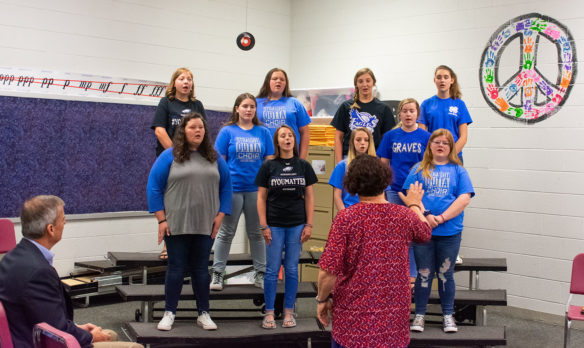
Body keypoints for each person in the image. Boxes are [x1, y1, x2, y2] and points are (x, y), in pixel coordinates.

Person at [316, 155, 431, 348]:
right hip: (393, 321)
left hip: (353, 321)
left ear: (351, 184)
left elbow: (328, 272)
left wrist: (322, 300)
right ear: (385, 180)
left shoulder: (346, 219)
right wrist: (414, 205)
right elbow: (425, 232)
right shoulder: (404, 216)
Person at [0, 195, 143, 348]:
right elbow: (56, 331)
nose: (65, 222)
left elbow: (43, 316)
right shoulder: (38, 272)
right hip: (39, 342)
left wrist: (78, 328)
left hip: (26, 333)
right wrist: (89, 336)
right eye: (62, 219)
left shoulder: (11, 257)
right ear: (51, 229)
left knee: (110, 335)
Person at [147, 113, 232, 332]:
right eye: (193, 127)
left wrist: (220, 215)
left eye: (201, 128)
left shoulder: (215, 158)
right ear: (184, 131)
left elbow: (226, 187)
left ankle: (204, 313)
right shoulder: (169, 156)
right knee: (175, 269)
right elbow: (154, 187)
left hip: (205, 224)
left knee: (201, 270)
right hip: (175, 223)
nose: (198, 131)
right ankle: (169, 313)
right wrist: (161, 220)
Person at [403, 129, 475, 333]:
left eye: (445, 142)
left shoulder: (458, 171)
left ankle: (447, 315)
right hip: (423, 232)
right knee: (424, 274)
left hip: (450, 233)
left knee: (445, 275)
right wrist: (425, 214)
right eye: (437, 142)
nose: (441, 145)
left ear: (451, 147)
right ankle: (419, 315)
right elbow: (411, 195)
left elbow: (464, 198)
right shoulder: (419, 168)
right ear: (430, 145)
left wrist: (441, 218)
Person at [255, 125, 317, 329]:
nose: (287, 138)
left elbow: (309, 196)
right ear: (277, 141)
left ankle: (289, 311)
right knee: (272, 270)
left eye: (290, 135)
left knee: (291, 270)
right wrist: (264, 225)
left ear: (294, 140)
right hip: (274, 224)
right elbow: (261, 197)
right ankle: (270, 312)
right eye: (283, 136)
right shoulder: (268, 166)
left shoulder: (303, 165)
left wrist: (309, 224)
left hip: (297, 224)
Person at [210, 93, 274, 291]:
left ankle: (260, 273)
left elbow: (270, 159)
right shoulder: (227, 132)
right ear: (237, 108)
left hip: (256, 191)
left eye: (252, 107)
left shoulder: (263, 132)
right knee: (226, 233)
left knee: (256, 233)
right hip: (233, 190)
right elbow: (218, 160)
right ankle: (218, 274)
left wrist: (265, 184)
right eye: (245, 106)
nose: (248, 110)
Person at [151, 67, 207, 260]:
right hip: (171, 160)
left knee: (191, 202)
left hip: (193, 161)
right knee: (170, 202)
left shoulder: (197, 105)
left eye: (189, 79)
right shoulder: (166, 103)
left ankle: (190, 244)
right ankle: (169, 245)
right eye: (182, 78)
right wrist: (177, 154)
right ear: (174, 82)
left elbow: (202, 131)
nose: (186, 82)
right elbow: (159, 131)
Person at [377, 98, 431, 288]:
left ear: (417, 114)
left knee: (416, 233)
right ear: (399, 114)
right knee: (396, 234)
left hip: (417, 192)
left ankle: (414, 274)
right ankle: (396, 272)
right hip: (395, 190)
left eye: (412, 111)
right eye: (405, 111)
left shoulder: (426, 137)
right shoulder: (390, 136)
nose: (408, 114)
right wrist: (384, 189)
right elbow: (383, 163)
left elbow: (429, 165)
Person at [330, 67, 396, 164]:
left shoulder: (383, 108)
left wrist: (383, 163)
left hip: (374, 157)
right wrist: (339, 163)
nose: (365, 85)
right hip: (349, 157)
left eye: (368, 81)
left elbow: (388, 139)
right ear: (356, 84)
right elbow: (338, 137)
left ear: (373, 83)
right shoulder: (346, 107)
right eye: (360, 81)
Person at [418, 65, 472, 162]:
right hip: (433, 157)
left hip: (455, 157)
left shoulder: (460, 104)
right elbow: (421, 134)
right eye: (439, 77)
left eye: (446, 77)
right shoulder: (426, 104)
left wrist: (451, 155)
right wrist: (434, 154)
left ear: (452, 80)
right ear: (434, 80)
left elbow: (463, 137)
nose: (442, 80)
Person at [256, 68, 312, 159]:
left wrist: (302, 160)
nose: (278, 81)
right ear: (267, 82)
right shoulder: (256, 103)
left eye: (282, 79)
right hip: (263, 156)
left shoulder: (295, 103)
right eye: (274, 79)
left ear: (286, 83)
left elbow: (305, 132)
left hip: (290, 156)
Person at [328, 127, 376, 211]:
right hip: (349, 211)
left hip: (371, 212)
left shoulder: (377, 166)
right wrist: (344, 215)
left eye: (366, 140)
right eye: (358, 140)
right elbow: (337, 195)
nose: (362, 143)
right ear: (352, 142)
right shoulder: (342, 166)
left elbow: (383, 194)